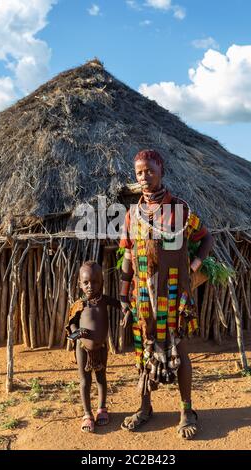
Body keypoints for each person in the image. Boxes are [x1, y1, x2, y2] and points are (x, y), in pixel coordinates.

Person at [119, 149, 213, 439]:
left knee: (180, 350)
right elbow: (127, 255)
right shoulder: (132, 214)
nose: (144, 177)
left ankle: (187, 410)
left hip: (173, 295)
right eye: (139, 173)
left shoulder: (180, 210)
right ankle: (145, 407)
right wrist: (124, 297)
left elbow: (205, 236)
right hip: (142, 298)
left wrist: (195, 264)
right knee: (142, 352)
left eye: (149, 171)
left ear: (161, 171)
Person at [66, 260, 120, 433]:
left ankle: (102, 409)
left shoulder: (105, 301)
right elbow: (70, 330)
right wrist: (78, 332)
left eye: (95, 281)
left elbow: (122, 305)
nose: (90, 286)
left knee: (101, 379)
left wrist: (127, 312)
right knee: (85, 381)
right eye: (86, 282)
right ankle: (87, 414)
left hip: (101, 348)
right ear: (80, 284)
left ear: (102, 282)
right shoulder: (78, 305)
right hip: (83, 350)